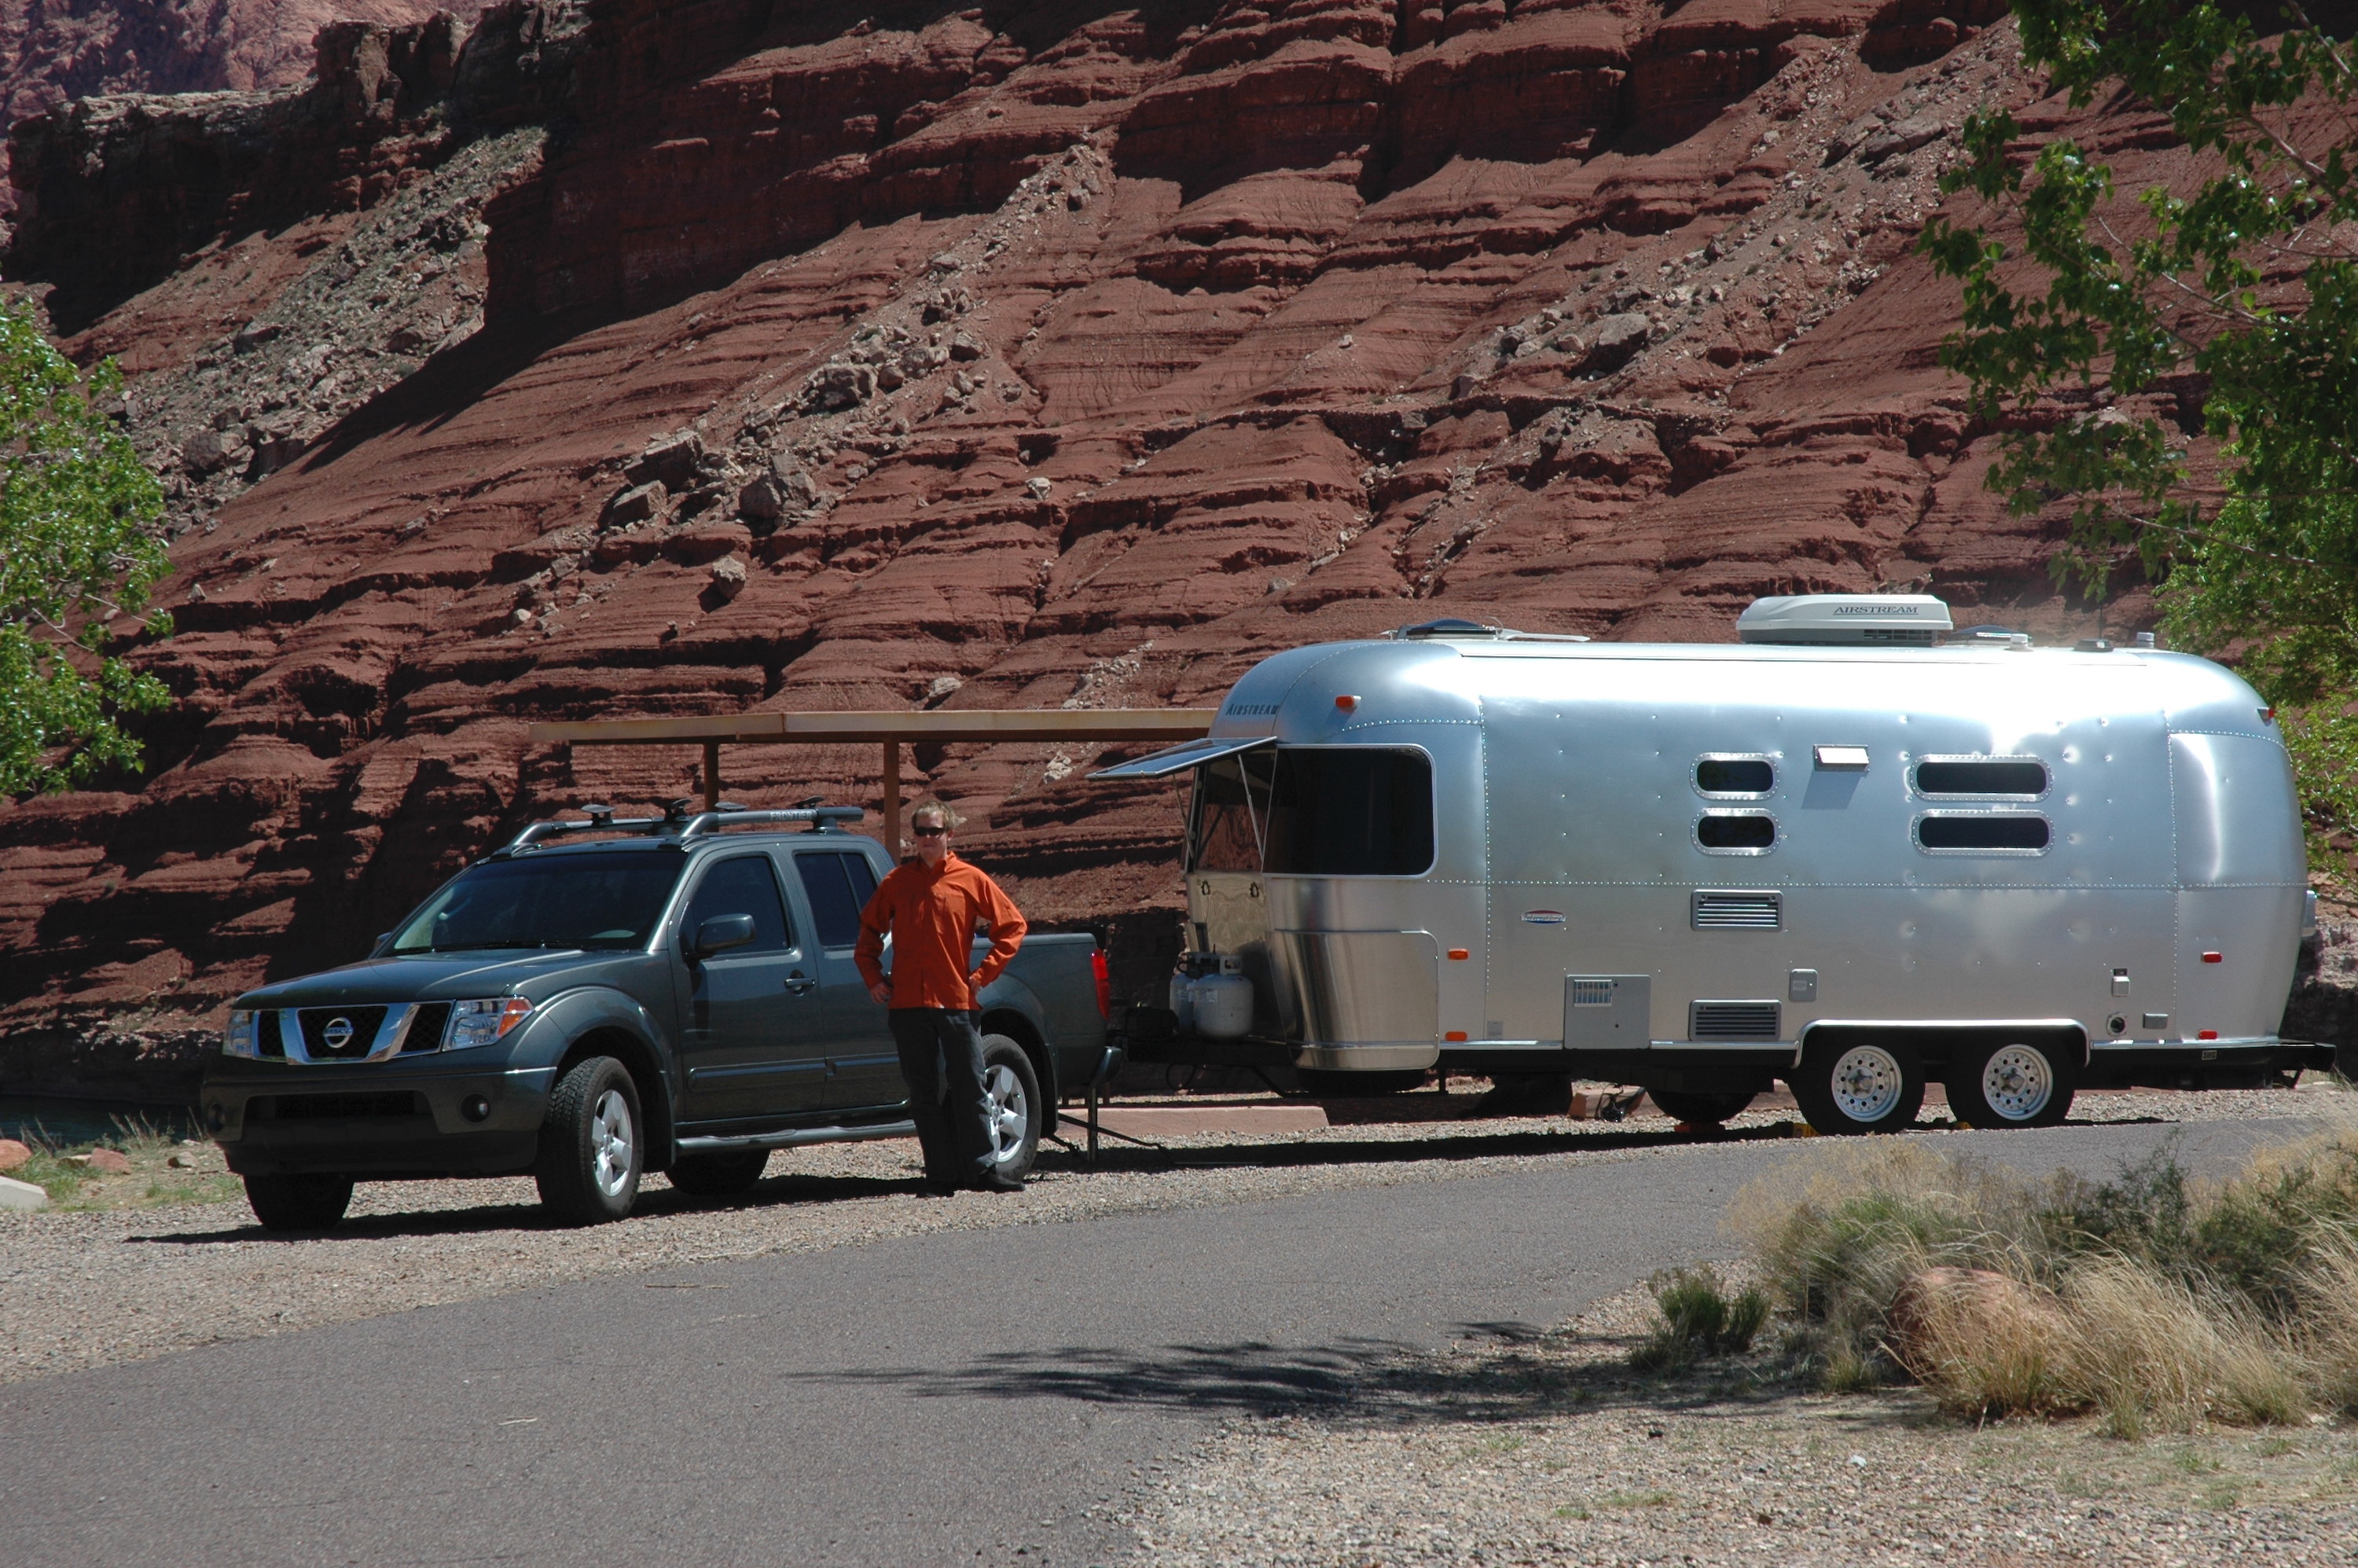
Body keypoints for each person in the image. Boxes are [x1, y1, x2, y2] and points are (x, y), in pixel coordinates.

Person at [854, 799, 1030, 1193]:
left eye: (935, 831)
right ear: (914, 836)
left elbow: (1013, 927)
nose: (928, 838)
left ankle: (983, 1170)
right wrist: (873, 978)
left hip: (955, 1001)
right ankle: (940, 1174)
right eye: (921, 831)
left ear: (950, 834)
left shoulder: (971, 879)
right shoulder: (897, 882)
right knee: (923, 1093)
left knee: (969, 1085)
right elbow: (867, 935)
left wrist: (982, 975)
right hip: (908, 1005)